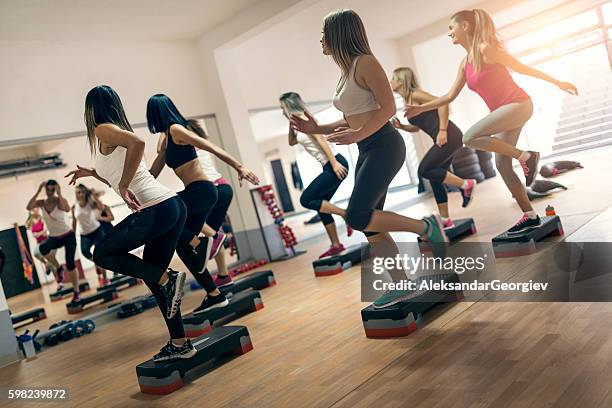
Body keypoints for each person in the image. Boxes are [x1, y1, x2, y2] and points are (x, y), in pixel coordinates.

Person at [290, 9, 448, 308]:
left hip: (384, 145)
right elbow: (351, 118)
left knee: (357, 216)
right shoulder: (346, 71)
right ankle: (402, 285)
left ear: (339, 34)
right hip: (368, 147)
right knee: (371, 225)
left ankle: (427, 228)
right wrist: (316, 129)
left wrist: (358, 133)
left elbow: (388, 108)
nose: (321, 40)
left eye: (324, 34)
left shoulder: (366, 62)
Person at [404, 9, 578, 234]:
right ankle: (530, 215)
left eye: (451, 27)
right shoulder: (465, 62)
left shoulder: (487, 50)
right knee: (502, 165)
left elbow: (522, 68)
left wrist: (558, 82)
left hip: (519, 104)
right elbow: (448, 97)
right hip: (505, 112)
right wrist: (421, 107)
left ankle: (526, 156)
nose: (449, 33)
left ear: (465, 26)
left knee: (469, 137)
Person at [66, 85, 194, 362]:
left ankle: (168, 278)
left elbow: (138, 143)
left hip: (154, 208)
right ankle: (181, 343)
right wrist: (92, 172)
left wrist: (123, 184)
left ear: (91, 109)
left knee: (101, 253)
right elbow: (117, 174)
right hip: (170, 206)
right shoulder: (109, 135)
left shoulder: (102, 129)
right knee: (154, 278)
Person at [147, 94, 260, 314]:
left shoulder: (176, 129)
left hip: (203, 190)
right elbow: (153, 172)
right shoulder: (165, 139)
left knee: (168, 213)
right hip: (196, 192)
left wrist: (240, 167)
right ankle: (214, 294)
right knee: (181, 245)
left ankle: (211, 239)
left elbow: (209, 146)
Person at [390, 67, 475, 228]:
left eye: (392, 79)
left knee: (423, 170)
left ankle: (466, 184)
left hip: (450, 135)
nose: (390, 82)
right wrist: (401, 127)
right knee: (435, 177)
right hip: (446, 138)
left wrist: (442, 130)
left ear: (401, 81)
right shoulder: (406, 100)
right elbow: (418, 127)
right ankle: (445, 220)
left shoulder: (415, 94)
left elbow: (443, 104)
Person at [280, 91, 353, 258]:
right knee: (321, 205)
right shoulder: (297, 123)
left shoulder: (305, 119)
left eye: (282, 107)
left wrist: (334, 163)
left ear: (288, 105)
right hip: (328, 165)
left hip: (334, 163)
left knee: (306, 199)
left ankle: (346, 214)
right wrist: (291, 127)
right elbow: (292, 142)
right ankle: (336, 245)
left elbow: (321, 140)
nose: (281, 110)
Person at [26, 180, 79, 305]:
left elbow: (66, 208)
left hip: (68, 236)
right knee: (43, 248)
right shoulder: (41, 203)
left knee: (70, 263)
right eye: (48, 190)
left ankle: (76, 293)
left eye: (52, 190)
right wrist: (38, 191)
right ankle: (59, 267)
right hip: (54, 237)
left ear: (55, 190)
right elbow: (29, 207)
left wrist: (59, 193)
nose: (50, 192)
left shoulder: (59, 201)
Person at [72, 184, 110, 287]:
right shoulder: (74, 207)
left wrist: (94, 195)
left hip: (96, 230)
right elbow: (74, 222)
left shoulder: (90, 202)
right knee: (85, 251)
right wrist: (72, 235)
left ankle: (105, 278)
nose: (79, 194)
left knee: (99, 254)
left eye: (81, 192)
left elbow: (102, 208)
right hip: (84, 234)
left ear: (85, 193)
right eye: (77, 192)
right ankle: (97, 264)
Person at [25, 208, 62, 289]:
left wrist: (40, 233)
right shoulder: (30, 222)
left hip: (48, 242)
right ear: (30, 212)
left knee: (51, 263)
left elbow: (46, 232)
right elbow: (35, 235)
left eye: (36, 208)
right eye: (33, 209)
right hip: (40, 244)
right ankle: (46, 264)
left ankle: (58, 282)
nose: (35, 210)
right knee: (35, 253)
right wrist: (41, 233)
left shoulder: (42, 219)